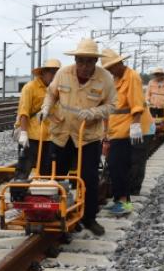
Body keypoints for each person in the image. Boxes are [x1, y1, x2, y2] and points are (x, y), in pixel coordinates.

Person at [39, 38, 117, 236]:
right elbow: (51, 93)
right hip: (62, 133)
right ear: (75, 59)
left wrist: (94, 113)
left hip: (87, 135)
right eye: (80, 61)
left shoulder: (105, 78)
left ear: (95, 62)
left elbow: (111, 106)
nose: (84, 66)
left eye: (89, 61)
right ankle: (51, 213)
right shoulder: (63, 73)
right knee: (53, 175)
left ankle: (89, 218)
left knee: (88, 178)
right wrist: (46, 107)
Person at [100, 49, 146, 216]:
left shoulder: (131, 76)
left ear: (120, 63)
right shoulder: (115, 79)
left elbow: (137, 103)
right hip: (115, 129)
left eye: (112, 67)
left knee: (118, 165)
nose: (111, 70)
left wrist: (135, 125)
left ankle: (125, 203)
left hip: (126, 129)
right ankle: (119, 199)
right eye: (108, 68)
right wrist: (105, 131)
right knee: (114, 166)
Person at [13, 58, 61, 180]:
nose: (54, 76)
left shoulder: (58, 89)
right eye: (52, 72)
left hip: (50, 136)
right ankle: (18, 193)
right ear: (43, 72)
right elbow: (24, 111)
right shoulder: (30, 87)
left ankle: (44, 196)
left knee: (47, 170)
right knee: (24, 167)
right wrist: (23, 133)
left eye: (57, 73)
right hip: (31, 136)